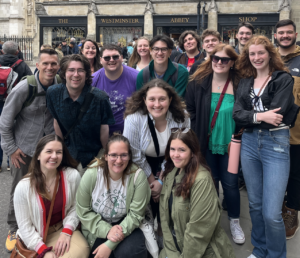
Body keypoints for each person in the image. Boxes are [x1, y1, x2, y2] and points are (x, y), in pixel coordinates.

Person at [233, 35, 299, 258]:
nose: (256, 57)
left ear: (270, 54)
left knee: (272, 213)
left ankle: (277, 254)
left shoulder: (283, 79)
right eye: (252, 53)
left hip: (275, 144)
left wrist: (250, 116)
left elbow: (277, 115)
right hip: (250, 143)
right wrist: (261, 116)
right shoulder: (245, 82)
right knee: (255, 205)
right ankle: (260, 250)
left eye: (260, 53)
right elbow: (237, 115)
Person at [0, 48, 60, 253]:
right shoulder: (24, 88)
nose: (50, 67)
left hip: (50, 150)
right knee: (19, 188)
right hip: (24, 149)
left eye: (53, 63)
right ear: (38, 65)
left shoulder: (60, 85)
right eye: (46, 64)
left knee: (47, 187)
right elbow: (5, 121)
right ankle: (14, 227)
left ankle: (39, 223)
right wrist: (11, 149)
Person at [186, 44, 245, 245]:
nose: (219, 62)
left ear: (232, 63)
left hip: (231, 145)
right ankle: (211, 222)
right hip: (206, 142)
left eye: (225, 59)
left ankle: (234, 221)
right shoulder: (198, 82)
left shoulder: (240, 83)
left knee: (230, 184)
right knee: (209, 184)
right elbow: (190, 109)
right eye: (215, 58)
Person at [123, 79, 190, 247]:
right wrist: (152, 180)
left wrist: (162, 179)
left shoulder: (182, 117)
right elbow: (135, 154)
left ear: (170, 100)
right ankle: (150, 230)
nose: (157, 104)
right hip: (142, 163)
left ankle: (165, 230)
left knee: (170, 199)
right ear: (144, 100)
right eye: (152, 99)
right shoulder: (134, 119)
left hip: (173, 162)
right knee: (149, 199)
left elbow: (181, 149)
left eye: (162, 99)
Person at [159, 128, 235, 258]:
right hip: (174, 249)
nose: (175, 155)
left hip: (201, 252)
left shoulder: (201, 180)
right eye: (172, 149)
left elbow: (198, 232)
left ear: (192, 152)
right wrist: (171, 253)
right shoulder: (171, 174)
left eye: (182, 150)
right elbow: (165, 220)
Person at [14, 134, 90, 258]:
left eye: (59, 152)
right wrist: (43, 251)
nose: (54, 156)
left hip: (62, 227)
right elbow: (24, 226)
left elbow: (77, 206)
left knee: (83, 250)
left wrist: (67, 231)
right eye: (49, 151)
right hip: (35, 235)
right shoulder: (23, 187)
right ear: (38, 155)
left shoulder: (72, 175)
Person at [76, 134, 150, 258]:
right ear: (106, 156)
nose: (119, 160)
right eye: (113, 155)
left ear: (129, 156)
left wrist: (110, 244)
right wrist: (107, 230)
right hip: (98, 223)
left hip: (127, 222)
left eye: (123, 155)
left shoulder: (138, 177)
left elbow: (136, 214)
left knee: (129, 252)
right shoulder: (91, 175)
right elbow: (83, 211)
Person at [46, 54, 115, 175]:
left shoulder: (100, 98)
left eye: (80, 70)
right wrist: (59, 151)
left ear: (87, 73)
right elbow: (56, 121)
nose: (76, 74)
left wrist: (106, 159)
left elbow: (104, 130)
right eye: (71, 70)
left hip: (92, 155)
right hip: (67, 154)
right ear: (63, 73)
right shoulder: (53, 93)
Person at [274, 19, 300, 239]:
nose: (285, 36)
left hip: (296, 131)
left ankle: (292, 211)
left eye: (288, 32)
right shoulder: (270, 59)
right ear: (275, 35)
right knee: (275, 173)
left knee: (295, 174)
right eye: (281, 32)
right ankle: (278, 207)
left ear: (295, 34)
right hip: (271, 128)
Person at [92, 44, 138, 135]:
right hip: (100, 134)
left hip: (129, 133)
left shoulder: (136, 77)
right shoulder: (93, 80)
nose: (112, 60)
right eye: (107, 58)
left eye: (115, 57)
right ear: (101, 60)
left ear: (121, 57)